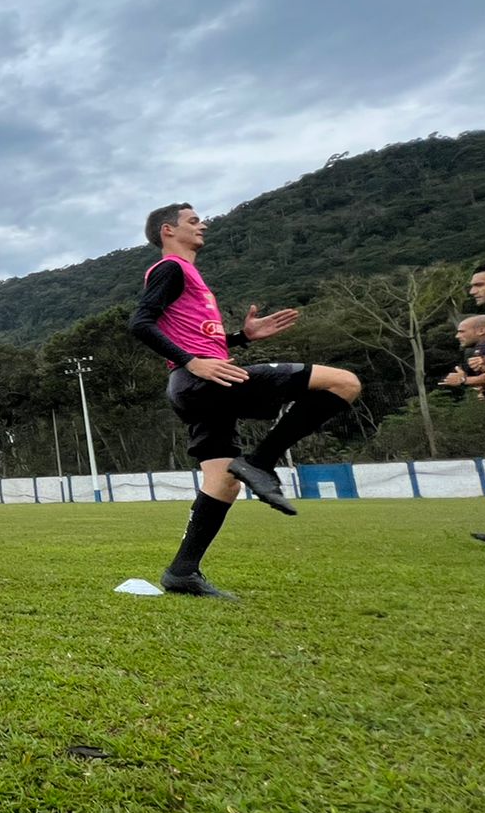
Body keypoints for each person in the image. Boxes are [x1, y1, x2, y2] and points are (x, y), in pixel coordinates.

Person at [129, 204, 361, 600]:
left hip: (195, 386)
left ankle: (182, 572)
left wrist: (242, 338)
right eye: (193, 220)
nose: (203, 225)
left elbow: (195, 339)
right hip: (203, 380)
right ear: (168, 230)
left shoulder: (187, 275)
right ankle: (261, 461)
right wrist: (191, 362)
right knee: (344, 383)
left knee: (223, 481)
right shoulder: (171, 269)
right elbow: (140, 322)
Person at [440, 315, 485, 544]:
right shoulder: (483, 350)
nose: (457, 335)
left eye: (462, 331)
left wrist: (464, 381)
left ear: (481, 330)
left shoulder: (484, 348)